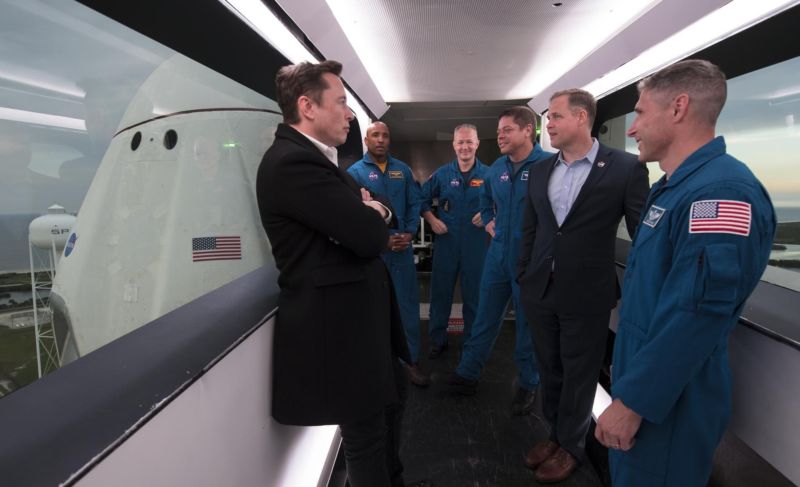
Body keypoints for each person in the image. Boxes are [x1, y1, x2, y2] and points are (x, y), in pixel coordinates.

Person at [595, 59, 776, 486]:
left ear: (678, 108)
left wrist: (633, 403)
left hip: (669, 402)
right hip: (646, 380)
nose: (633, 129)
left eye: (639, 113)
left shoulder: (720, 194)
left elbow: (696, 316)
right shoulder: (675, 187)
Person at [256, 60, 410, 487]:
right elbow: (368, 235)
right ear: (307, 106)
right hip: (340, 330)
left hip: (363, 324)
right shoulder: (291, 163)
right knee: (365, 439)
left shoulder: (321, 161)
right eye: (341, 102)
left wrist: (372, 209)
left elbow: (378, 209)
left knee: (391, 409)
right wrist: (371, 212)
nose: (350, 114)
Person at [516, 89, 649, 483]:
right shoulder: (540, 170)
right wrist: (523, 272)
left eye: (555, 117)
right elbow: (531, 228)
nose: (548, 126)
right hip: (540, 288)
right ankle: (554, 434)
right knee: (550, 367)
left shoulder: (625, 168)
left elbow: (643, 235)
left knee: (580, 373)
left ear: (581, 118)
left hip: (588, 292)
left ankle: (571, 446)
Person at [448, 107, 552, 415]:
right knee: (484, 318)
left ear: (527, 131)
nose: (500, 135)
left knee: (526, 325)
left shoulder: (549, 166)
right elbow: (485, 201)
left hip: (531, 260)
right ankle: (468, 373)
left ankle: (528, 384)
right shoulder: (496, 169)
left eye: (506, 130)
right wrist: (490, 220)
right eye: (499, 130)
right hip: (498, 256)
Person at [348, 122, 430, 387]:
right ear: (366, 139)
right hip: (374, 254)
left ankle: (410, 362)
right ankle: (381, 365)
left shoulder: (402, 170)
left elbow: (415, 202)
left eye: (385, 135)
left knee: (407, 306)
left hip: (402, 252)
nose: (381, 140)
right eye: (375, 135)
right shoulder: (354, 173)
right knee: (374, 309)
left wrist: (407, 232)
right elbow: (353, 215)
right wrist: (382, 240)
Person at [420, 124, 489, 358]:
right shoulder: (442, 175)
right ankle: (437, 340)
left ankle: (473, 343)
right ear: (454, 145)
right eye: (460, 142)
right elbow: (421, 200)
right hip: (447, 243)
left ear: (477, 143)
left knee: (475, 298)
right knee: (440, 294)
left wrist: (491, 214)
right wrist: (431, 219)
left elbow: (505, 203)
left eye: (469, 141)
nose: (465, 146)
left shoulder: (489, 176)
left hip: (477, 245)